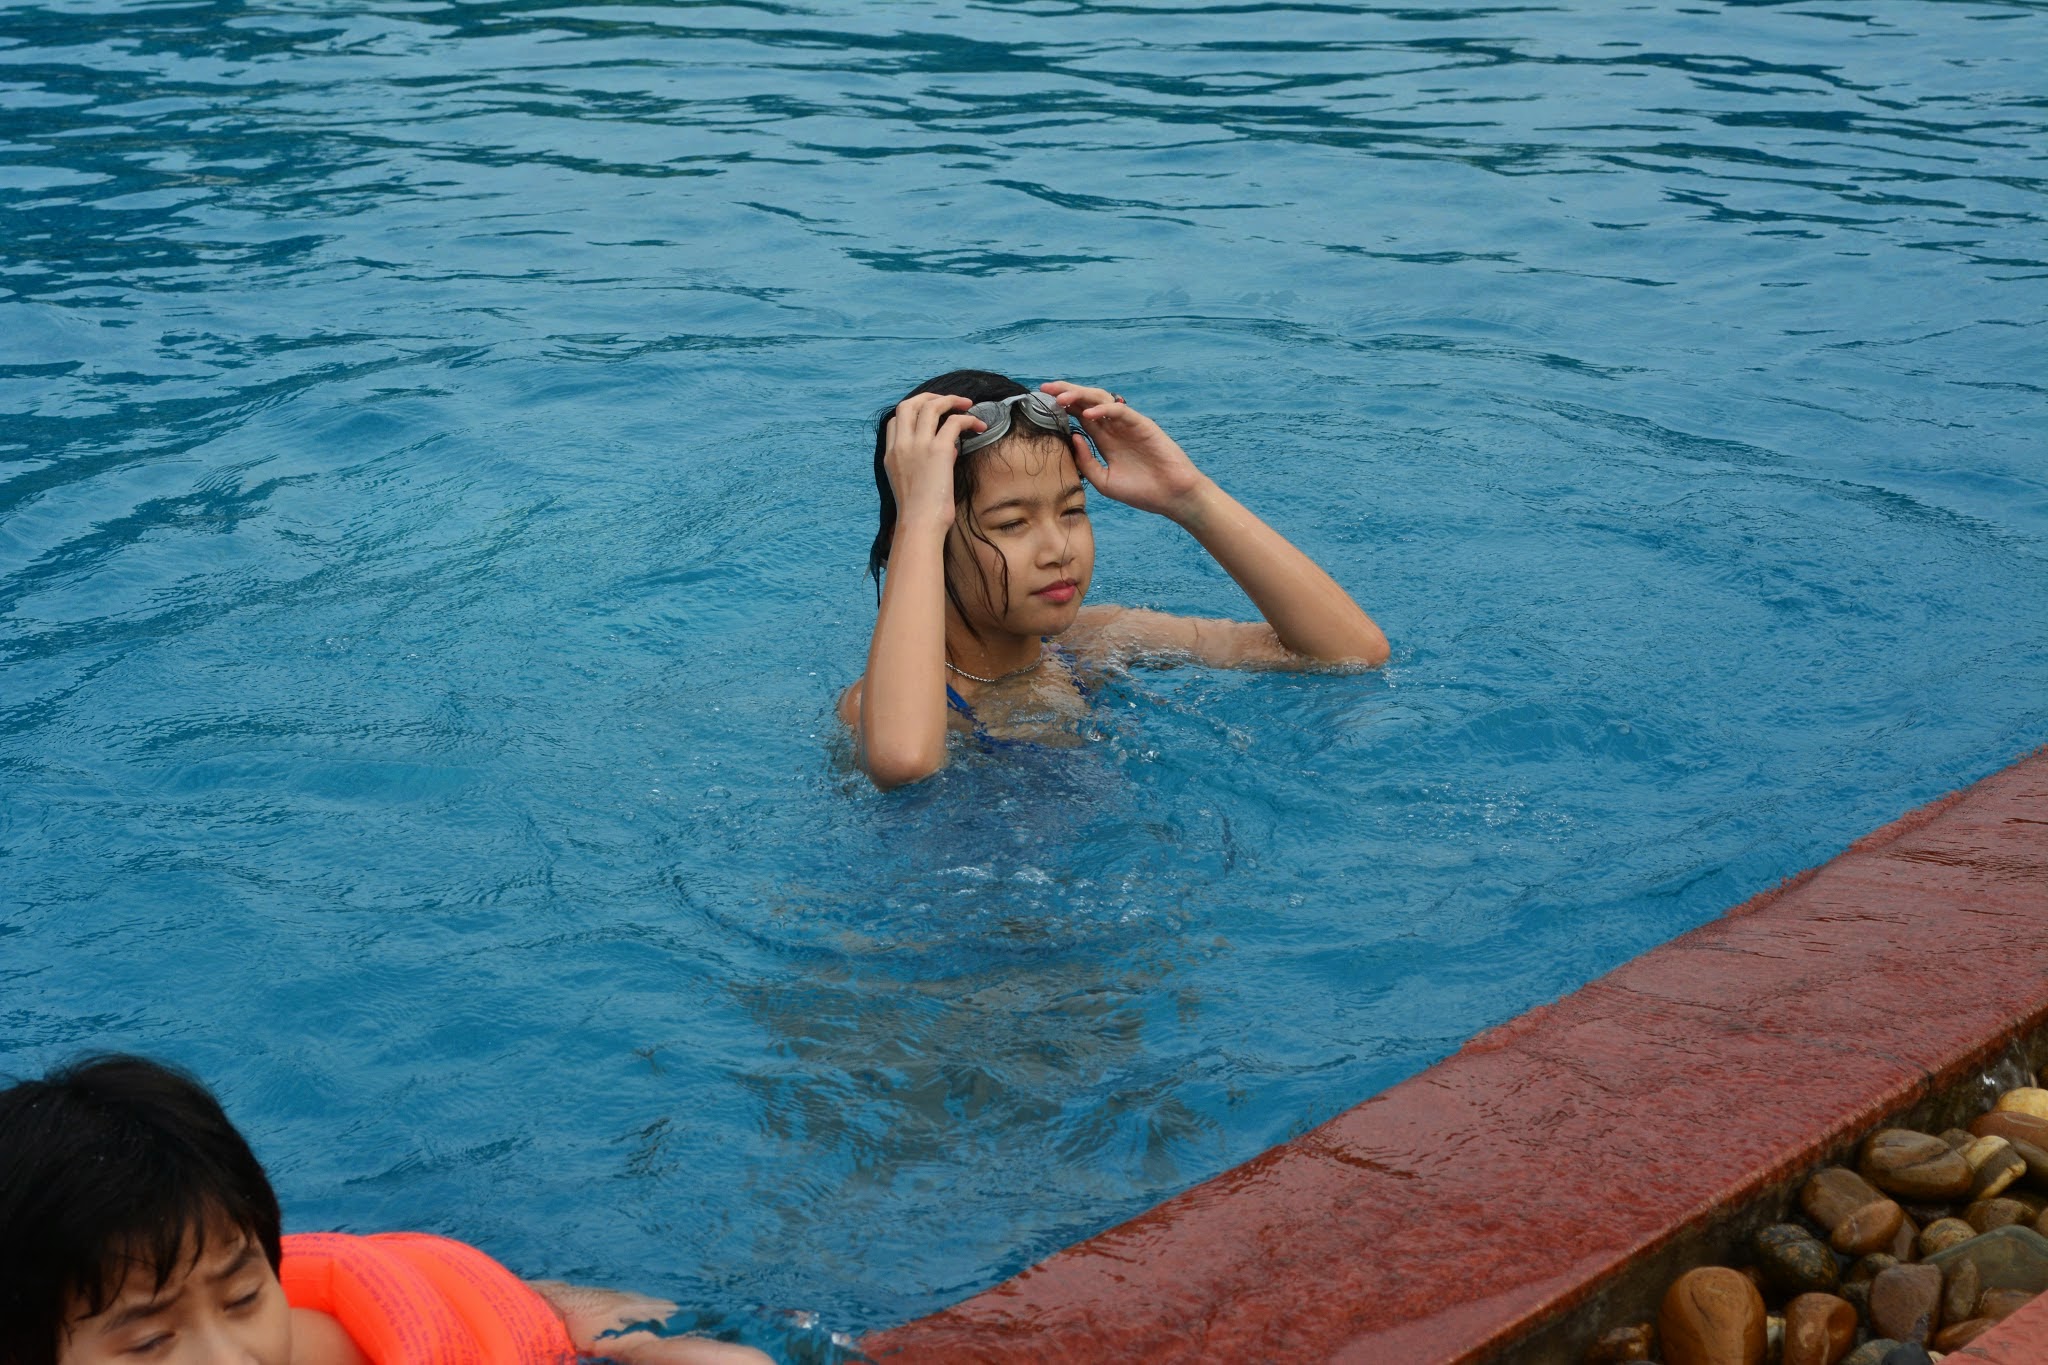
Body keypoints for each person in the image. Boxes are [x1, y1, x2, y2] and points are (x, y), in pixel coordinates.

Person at [0, 1054, 768, 1365]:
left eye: (244, 1297)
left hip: (502, 1323)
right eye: (149, 1340)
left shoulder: (326, 1351)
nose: (234, 1359)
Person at [839, 371, 1389, 787]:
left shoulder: (1091, 644)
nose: (1058, 549)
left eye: (1073, 511)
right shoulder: (875, 706)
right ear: (917, 544)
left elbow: (1348, 655)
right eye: (1011, 524)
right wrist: (918, 521)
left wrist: (1190, 498)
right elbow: (905, 763)